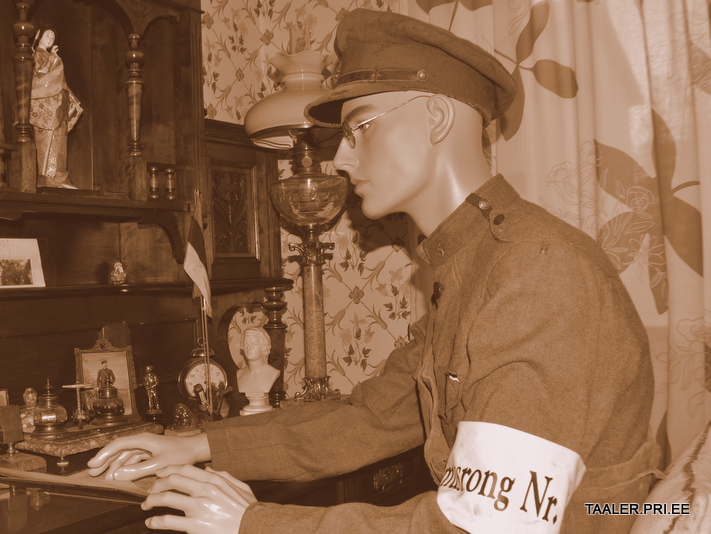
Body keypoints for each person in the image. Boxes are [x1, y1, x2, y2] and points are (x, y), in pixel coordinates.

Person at [88, 9, 658, 534]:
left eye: (360, 127)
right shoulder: (476, 265)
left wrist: (252, 523)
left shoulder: (536, 272)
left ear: (436, 117)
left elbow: (484, 527)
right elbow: (372, 417)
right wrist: (197, 444)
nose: (341, 158)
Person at [30, 27, 83, 189]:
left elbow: (61, 83)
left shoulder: (51, 56)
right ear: (38, 36)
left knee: (59, 139)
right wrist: (53, 57)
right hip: (45, 105)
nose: (49, 39)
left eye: (52, 38)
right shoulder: (37, 55)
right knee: (47, 138)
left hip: (57, 104)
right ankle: (46, 176)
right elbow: (40, 72)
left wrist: (70, 99)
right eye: (47, 35)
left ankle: (60, 176)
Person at [236, 327, 279, 395]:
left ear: (263, 346)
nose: (248, 348)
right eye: (245, 344)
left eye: (253, 344)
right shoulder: (240, 374)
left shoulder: (272, 373)